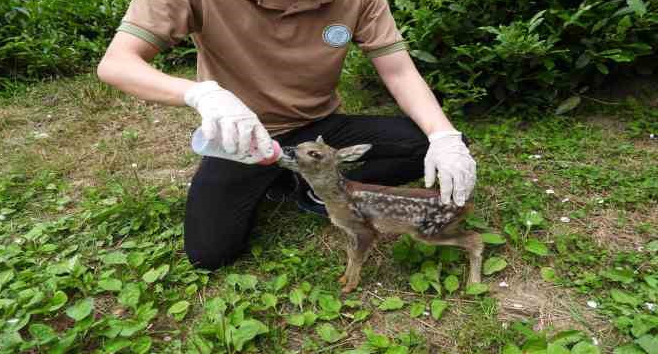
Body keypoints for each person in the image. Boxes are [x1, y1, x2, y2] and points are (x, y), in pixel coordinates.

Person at [97, 0, 477, 270]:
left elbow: (398, 71)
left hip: (322, 129)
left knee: (431, 142)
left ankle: (312, 188)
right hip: (246, 137)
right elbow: (117, 63)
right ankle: (282, 177)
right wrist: (201, 94)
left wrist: (444, 135)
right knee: (210, 253)